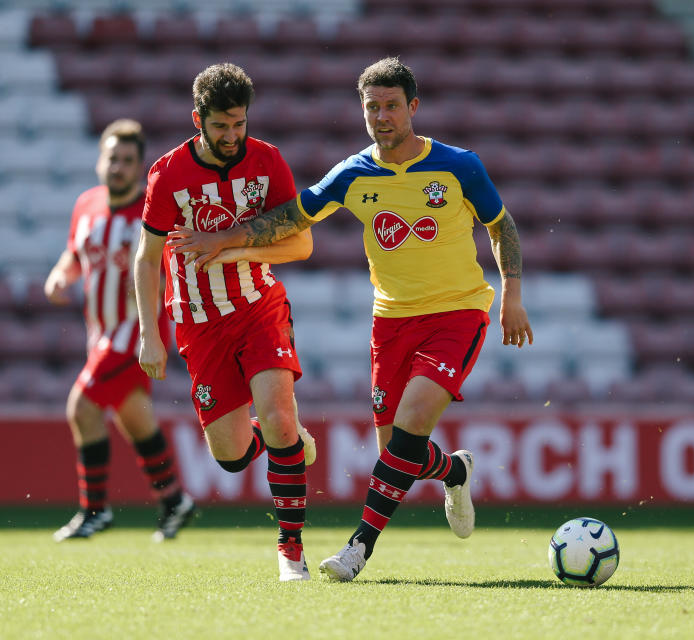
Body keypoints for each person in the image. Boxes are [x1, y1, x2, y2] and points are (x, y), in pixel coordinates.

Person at [166, 57, 534, 581]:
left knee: (407, 434)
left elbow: (503, 226)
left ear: (413, 108)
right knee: (398, 454)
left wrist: (512, 296)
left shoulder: (459, 166)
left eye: (391, 106)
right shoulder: (354, 173)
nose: (382, 117)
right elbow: (287, 218)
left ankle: (358, 548)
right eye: (371, 107)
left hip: (458, 312)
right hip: (390, 320)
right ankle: (454, 469)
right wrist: (225, 240)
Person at [133, 63, 318, 582]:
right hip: (197, 321)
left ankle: (290, 551)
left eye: (238, 124)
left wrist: (231, 242)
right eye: (220, 126)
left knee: (279, 419)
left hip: (259, 305)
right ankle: (281, 440)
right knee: (232, 457)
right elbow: (147, 258)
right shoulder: (168, 173)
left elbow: (302, 243)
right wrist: (150, 332)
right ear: (198, 120)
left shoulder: (268, 162)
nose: (232, 136)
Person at [44, 118, 195, 543]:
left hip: (135, 333)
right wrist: (60, 275)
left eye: (128, 160)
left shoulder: (152, 209)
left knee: (82, 409)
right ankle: (174, 500)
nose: (118, 167)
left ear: (139, 165)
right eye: (113, 158)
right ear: (100, 161)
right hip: (101, 331)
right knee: (136, 421)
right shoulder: (86, 205)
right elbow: (76, 253)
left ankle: (94, 510)